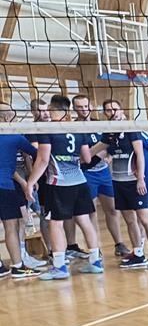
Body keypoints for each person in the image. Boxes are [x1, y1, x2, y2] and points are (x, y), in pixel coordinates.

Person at [23, 95, 105, 280]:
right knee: (84, 220)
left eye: (49, 110)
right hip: (80, 182)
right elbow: (87, 158)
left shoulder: (47, 129)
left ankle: (59, 266)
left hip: (58, 183)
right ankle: (95, 261)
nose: (47, 113)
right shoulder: (77, 128)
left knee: (55, 223)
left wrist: (30, 182)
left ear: (53, 110)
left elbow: (43, 160)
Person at [99, 104, 148, 272]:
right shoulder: (108, 133)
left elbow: (140, 154)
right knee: (129, 220)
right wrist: (79, 158)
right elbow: (96, 151)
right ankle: (138, 254)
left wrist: (141, 179)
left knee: (144, 218)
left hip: (134, 182)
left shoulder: (131, 129)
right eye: (109, 110)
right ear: (105, 113)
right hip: (117, 182)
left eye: (115, 109)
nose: (113, 112)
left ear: (122, 110)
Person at [70, 93, 129, 260]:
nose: (84, 110)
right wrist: (99, 153)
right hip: (86, 175)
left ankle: (119, 244)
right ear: (74, 109)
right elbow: (83, 158)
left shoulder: (101, 125)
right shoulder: (73, 128)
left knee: (112, 209)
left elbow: (111, 146)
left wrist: (107, 155)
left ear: (91, 106)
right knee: (91, 212)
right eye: (79, 107)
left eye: (86, 106)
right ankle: (95, 248)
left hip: (104, 173)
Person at [0, 107, 38, 277]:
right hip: (4, 186)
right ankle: (17, 266)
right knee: (11, 226)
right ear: (6, 117)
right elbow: (38, 154)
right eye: (12, 115)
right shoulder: (15, 136)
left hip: (6, 183)